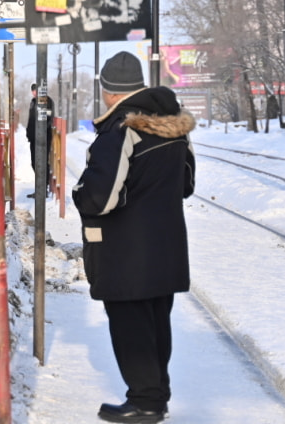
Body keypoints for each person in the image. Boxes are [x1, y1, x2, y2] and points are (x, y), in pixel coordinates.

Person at [71, 52, 196, 423]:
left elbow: (100, 197)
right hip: (166, 244)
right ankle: (156, 395)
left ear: (108, 92)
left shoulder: (121, 131)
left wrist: (80, 192)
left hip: (126, 252)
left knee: (130, 325)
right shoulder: (174, 126)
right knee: (156, 322)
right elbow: (186, 186)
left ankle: (144, 402)